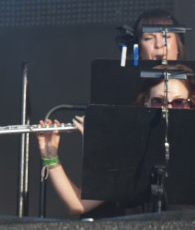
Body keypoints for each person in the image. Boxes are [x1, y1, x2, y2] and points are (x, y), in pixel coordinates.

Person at [36, 64, 195, 216]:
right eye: (159, 101)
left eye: (179, 102)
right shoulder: (126, 145)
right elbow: (77, 204)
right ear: (147, 101)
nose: (168, 109)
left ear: (189, 105)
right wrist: (50, 157)